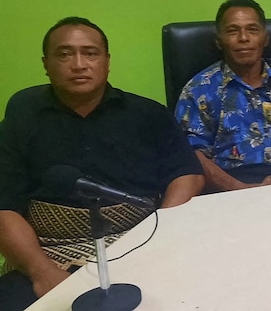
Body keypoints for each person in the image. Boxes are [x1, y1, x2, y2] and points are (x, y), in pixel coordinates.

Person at [0, 17, 204, 311]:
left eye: (90, 53)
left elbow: (187, 175)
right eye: (65, 54)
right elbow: (4, 206)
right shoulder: (22, 117)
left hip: (138, 241)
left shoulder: (147, 113)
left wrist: (160, 238)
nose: (79, 64)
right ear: (46, 63)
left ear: (107, 61)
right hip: (49, 252)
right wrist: (41, 272)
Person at [175, 0, 271, 192]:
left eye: (252, 29)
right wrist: (239, 189)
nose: (243, 38)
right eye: (233, 30)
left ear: (265, 38)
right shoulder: (199, 89)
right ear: (219, 40)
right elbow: (193, 153)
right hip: (226, 187)